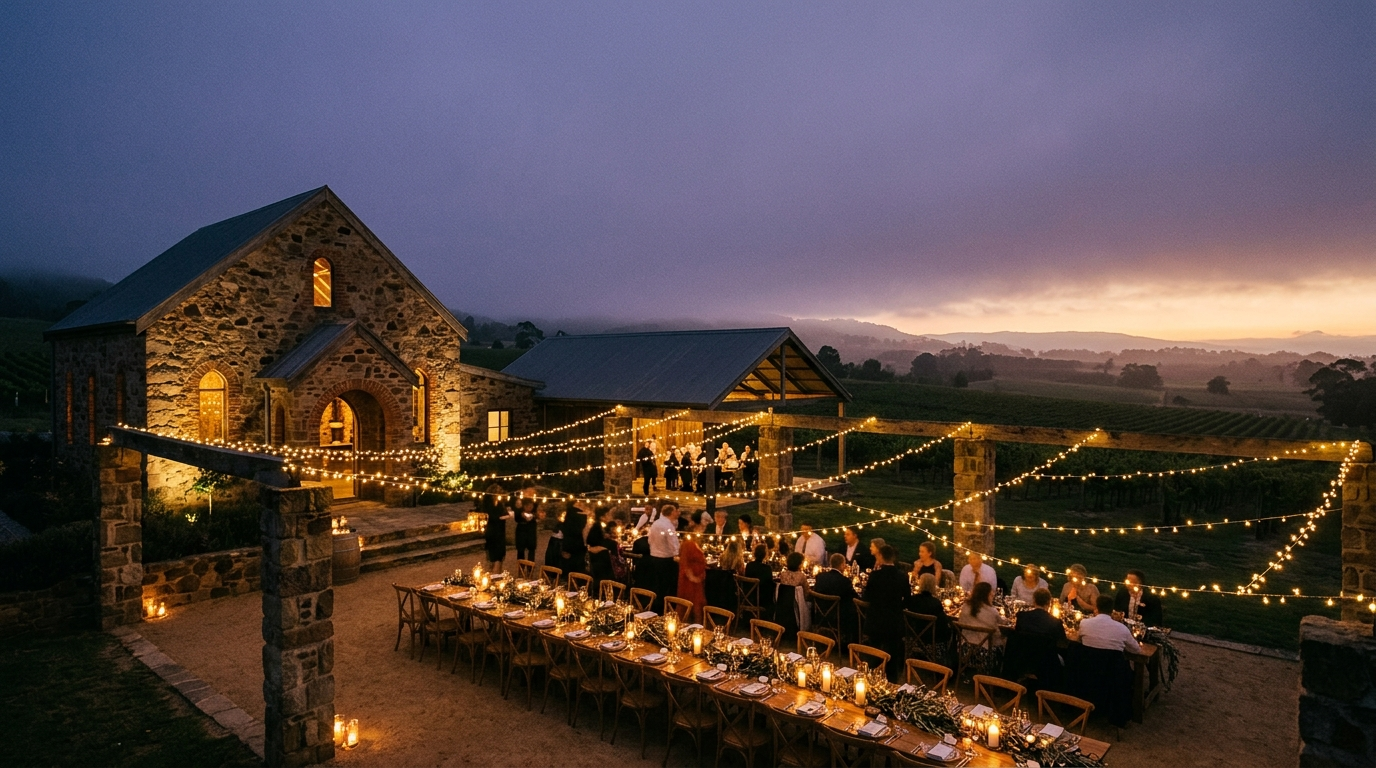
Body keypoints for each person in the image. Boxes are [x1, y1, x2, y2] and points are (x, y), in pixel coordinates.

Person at [862, 544, 910, 681]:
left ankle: (871, 680)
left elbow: (866, 597)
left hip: (875, 620)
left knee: (873, 654)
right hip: (894, 622)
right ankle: (892, 682)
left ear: (881, 556)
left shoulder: (875, 575)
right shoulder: (902, 576)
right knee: (893, 656)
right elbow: (907, 600)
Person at [646, 504, 681, 610]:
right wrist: (678, 554)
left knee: (657, 585)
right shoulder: (668, 526)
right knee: (667, 587)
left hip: (654, 558)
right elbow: (673, 543)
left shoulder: (655, 523)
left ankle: (656, 606)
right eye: (675, 511)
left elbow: (649, 540)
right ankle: (666, 608)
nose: (677, 513)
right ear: (671, 512)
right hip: (666, 560)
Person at [904, 572, 950, 643]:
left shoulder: (912, 600)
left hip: (913, 639)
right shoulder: (935, 603)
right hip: (930, 642)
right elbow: (943, 623)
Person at [676, 518, 708, 621]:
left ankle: (698, 626)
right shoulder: (688, 544)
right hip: (689, 580)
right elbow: (684, 562)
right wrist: (692, 577)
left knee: (697, 603)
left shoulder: (695, 543)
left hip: (697, 578)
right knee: (691, 602)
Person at [957, 581, 1003, 648]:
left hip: (964, 648)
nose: (993, 594)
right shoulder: (991, 611)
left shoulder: (966, 606)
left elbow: (960, 622)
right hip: (984, 651)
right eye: (991, 593)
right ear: (986, 595)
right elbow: (996, 634)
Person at [482, 485, 512, 572]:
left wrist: (506, 515)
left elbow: (505, 512)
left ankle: (498, 573)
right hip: (492, 531)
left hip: (500, 531)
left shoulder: (499, 503)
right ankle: (494, 574)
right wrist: (500, 518)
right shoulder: (487, 503)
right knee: (494, 556)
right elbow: (489, 515)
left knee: (500, 556)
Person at [586, 505, 615, 592]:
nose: (610, 516)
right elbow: (591, 541)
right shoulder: (597, 527)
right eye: (608, 514)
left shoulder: (600, 526)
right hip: (599, 558)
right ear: (602, 516)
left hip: (600, 557)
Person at [559, 500, 588, 577]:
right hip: (574, 546)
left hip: (570, 545)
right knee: (575, 569)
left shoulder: (569, 516)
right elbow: (577, 529)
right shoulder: (575, 515)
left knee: (570, 569)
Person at [744, 543, 776, 612]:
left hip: (748, 597)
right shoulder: (767, 568)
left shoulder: (749, 565)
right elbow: (769, 584)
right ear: (765, 555)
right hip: (761, 599)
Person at [513, 484, 540, 563]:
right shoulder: (519, 501)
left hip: (531, 528)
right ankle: (521, 568)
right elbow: (516, 517)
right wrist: (522, 515)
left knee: (531, 549)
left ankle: (530, 569)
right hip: (522, 527)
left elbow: (539, 513)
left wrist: (535, 515)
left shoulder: (535, 501)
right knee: (521, 550)